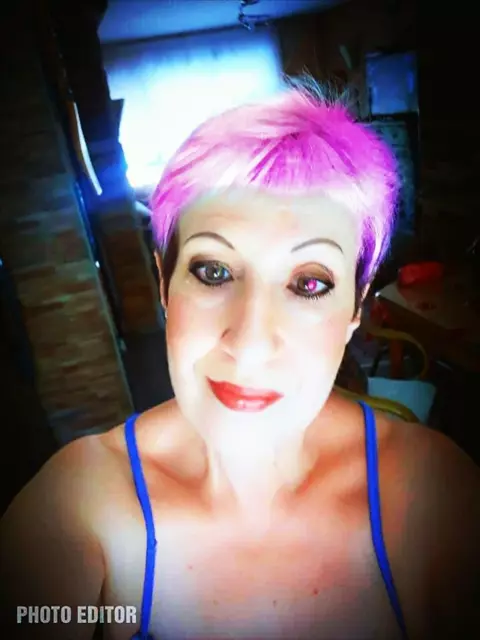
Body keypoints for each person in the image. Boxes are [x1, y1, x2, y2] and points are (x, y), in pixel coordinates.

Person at [1, 79, 479, 640]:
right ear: (165, 283)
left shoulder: (436, 495)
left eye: (308, 283)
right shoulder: (82, 504)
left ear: (356, 307)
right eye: (214, 271)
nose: (249, 344)